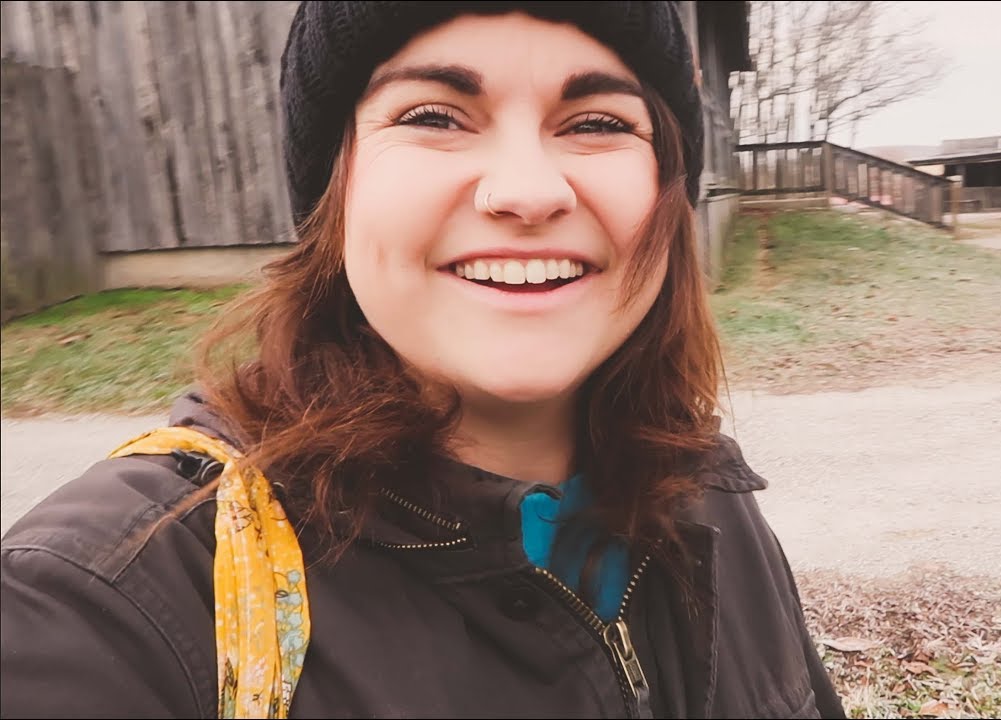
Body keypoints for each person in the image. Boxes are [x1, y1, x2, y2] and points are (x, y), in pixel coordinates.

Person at [0, 3, 844, 718]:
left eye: (596, 123)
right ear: (336, 190)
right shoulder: (116, 598)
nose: (527, 190)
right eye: (434, 116)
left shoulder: (707, 497)